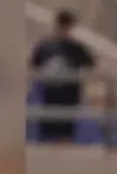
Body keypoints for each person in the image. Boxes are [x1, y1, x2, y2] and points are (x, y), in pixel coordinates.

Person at [28, 9, 96, 144]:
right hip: (50, 94)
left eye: (67, 26)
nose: (65, 29)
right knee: (48, 129)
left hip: (69, 95)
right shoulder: (46, 46)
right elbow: (34, 65)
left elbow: (90, 65)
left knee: (65, 131)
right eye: (62, 26)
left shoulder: (77, 48)